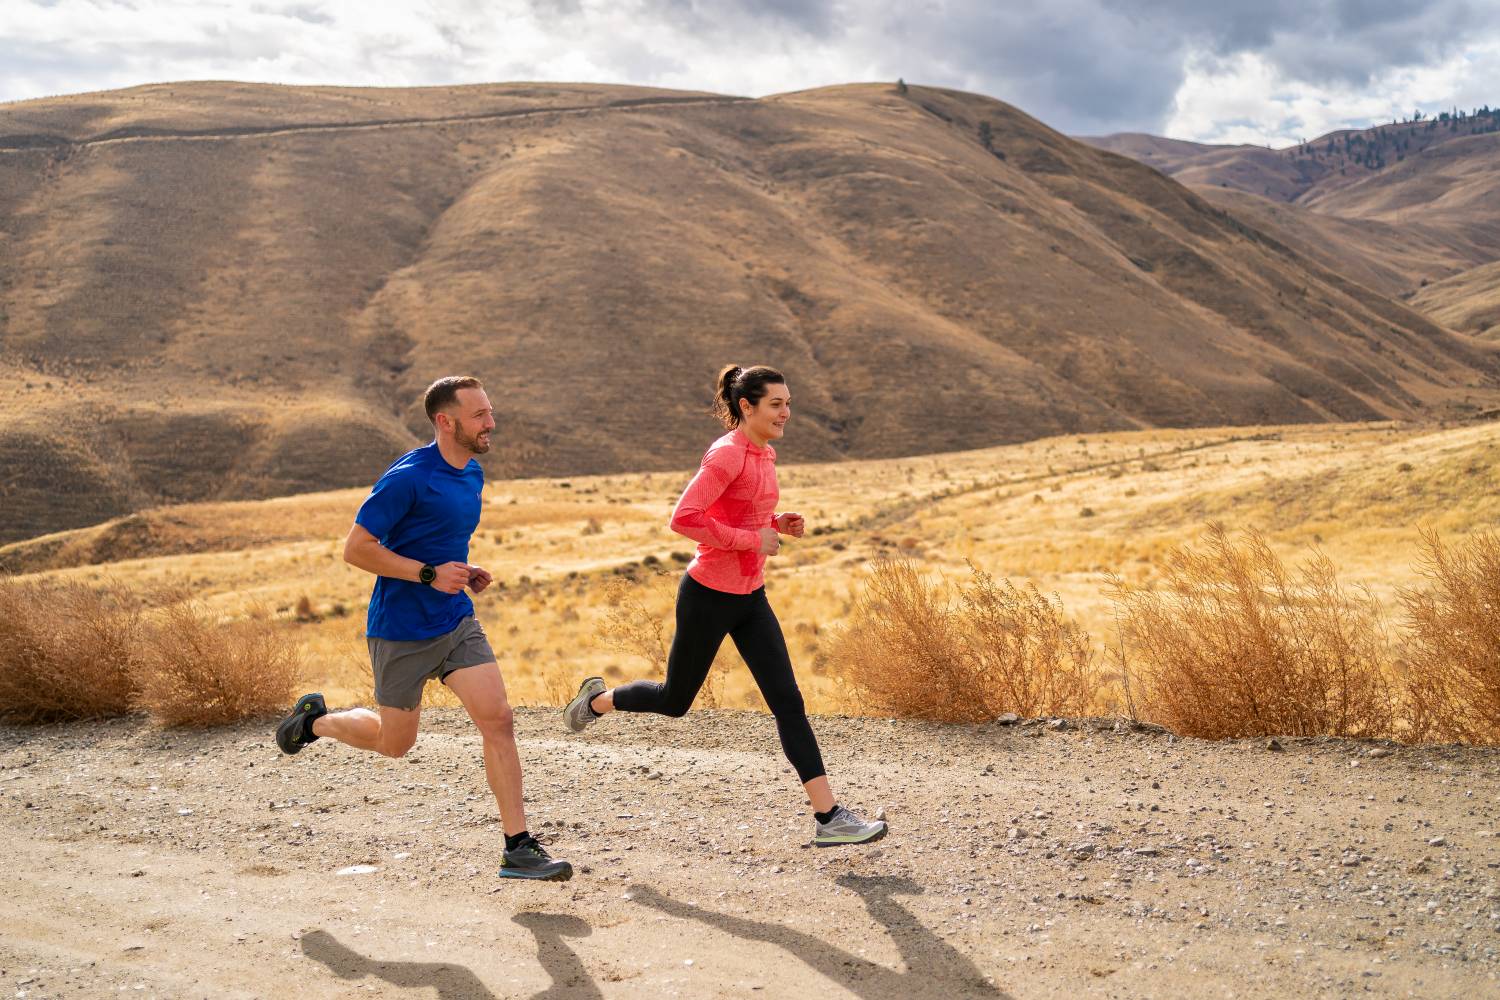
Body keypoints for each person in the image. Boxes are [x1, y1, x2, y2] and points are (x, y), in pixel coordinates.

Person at [564, 365, 887, 847]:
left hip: (750, 597)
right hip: (708, 596)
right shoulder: (726, 455)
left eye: (789, 403)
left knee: (788, 701)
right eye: (776, 404)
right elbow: (685, 518)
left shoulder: (765, 453)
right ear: (746, 407)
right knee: (675, 701)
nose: (786, 412)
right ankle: (596, 701)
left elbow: (741, 510)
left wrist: (777, 522)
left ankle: (829, 818)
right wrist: (750, 539)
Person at [275, 375, 573, 881]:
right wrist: (429, 575)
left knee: (498, 720)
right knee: (396, 744)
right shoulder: (407, 477)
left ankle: (517, 847)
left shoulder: (472, 474)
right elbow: (357, 549)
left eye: (489, 412)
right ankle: (315, 723)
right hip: (401, 629)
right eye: (479, 415)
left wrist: (462, 570)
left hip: (454, 620)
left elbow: (438, 543)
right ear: (445, 421)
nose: (490, 423)